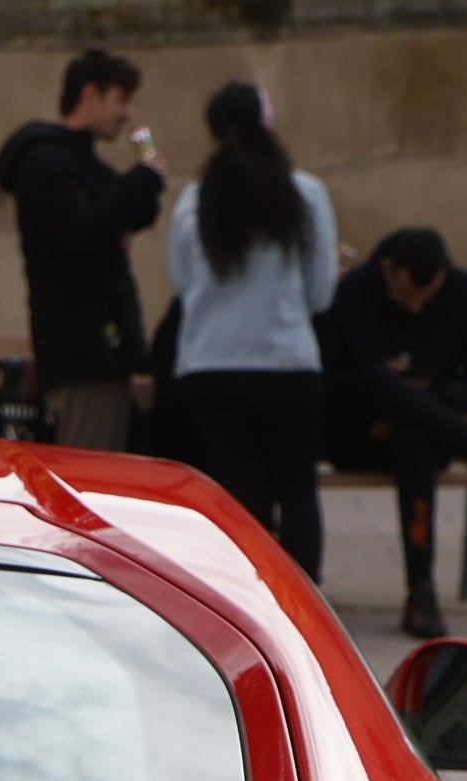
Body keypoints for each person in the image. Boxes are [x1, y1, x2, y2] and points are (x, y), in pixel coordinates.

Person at [324, 227, 467, 638]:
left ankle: (421, 592)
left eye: (425, 298)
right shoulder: (354, 292)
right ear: (387, 270)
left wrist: (433, 400)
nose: (415, 308)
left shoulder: (464, 292)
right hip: (359, 433)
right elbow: (332, 376)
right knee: (379, 382)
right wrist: (387, 395)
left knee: (413, 433)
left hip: (426, 437)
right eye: (405, 296)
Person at [166, 82, 336, 577]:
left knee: (242, 496)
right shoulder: (304, 193)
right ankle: (303, 612)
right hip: (285, 362)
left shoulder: (193, 201)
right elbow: (320, 292)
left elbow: (182, 285)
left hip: (210, 365)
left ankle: (251, 603)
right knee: (298, 492)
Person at [0, 49, 160, 454]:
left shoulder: (85, 166)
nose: (127, 113)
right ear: (90, 94)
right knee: (89, 482)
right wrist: (138, 184)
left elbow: (117, 215)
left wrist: (144, 190)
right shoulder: (47, 163)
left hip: (104, 356)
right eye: (121, 99)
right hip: (82, 358)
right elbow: (84, 228)